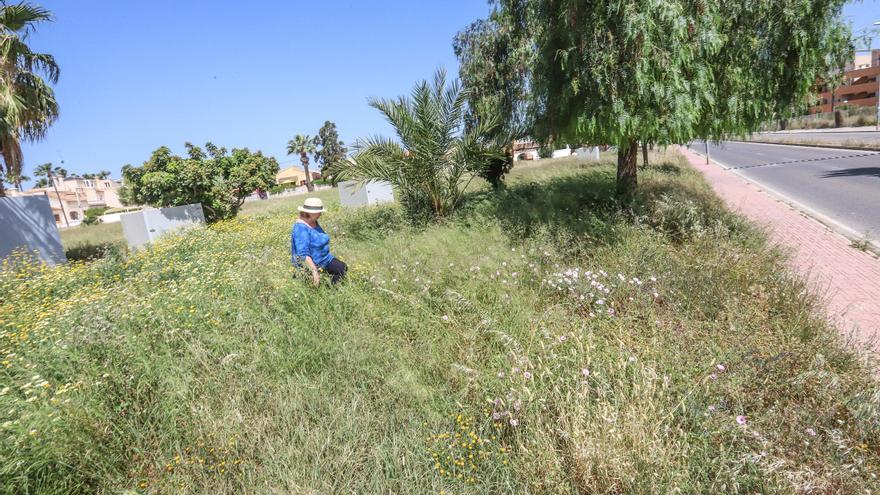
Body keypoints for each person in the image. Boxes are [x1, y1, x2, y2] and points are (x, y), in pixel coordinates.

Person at [291, 197, 347, 285]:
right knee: (314, 286)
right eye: (319, 212)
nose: (321, 214)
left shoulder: (313, 221)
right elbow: (303, 255)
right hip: (311, 263)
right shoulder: (300, 228)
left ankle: (333, 291)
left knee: (341, 268)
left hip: (325, 259)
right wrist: (314, 271)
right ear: (311, 213)